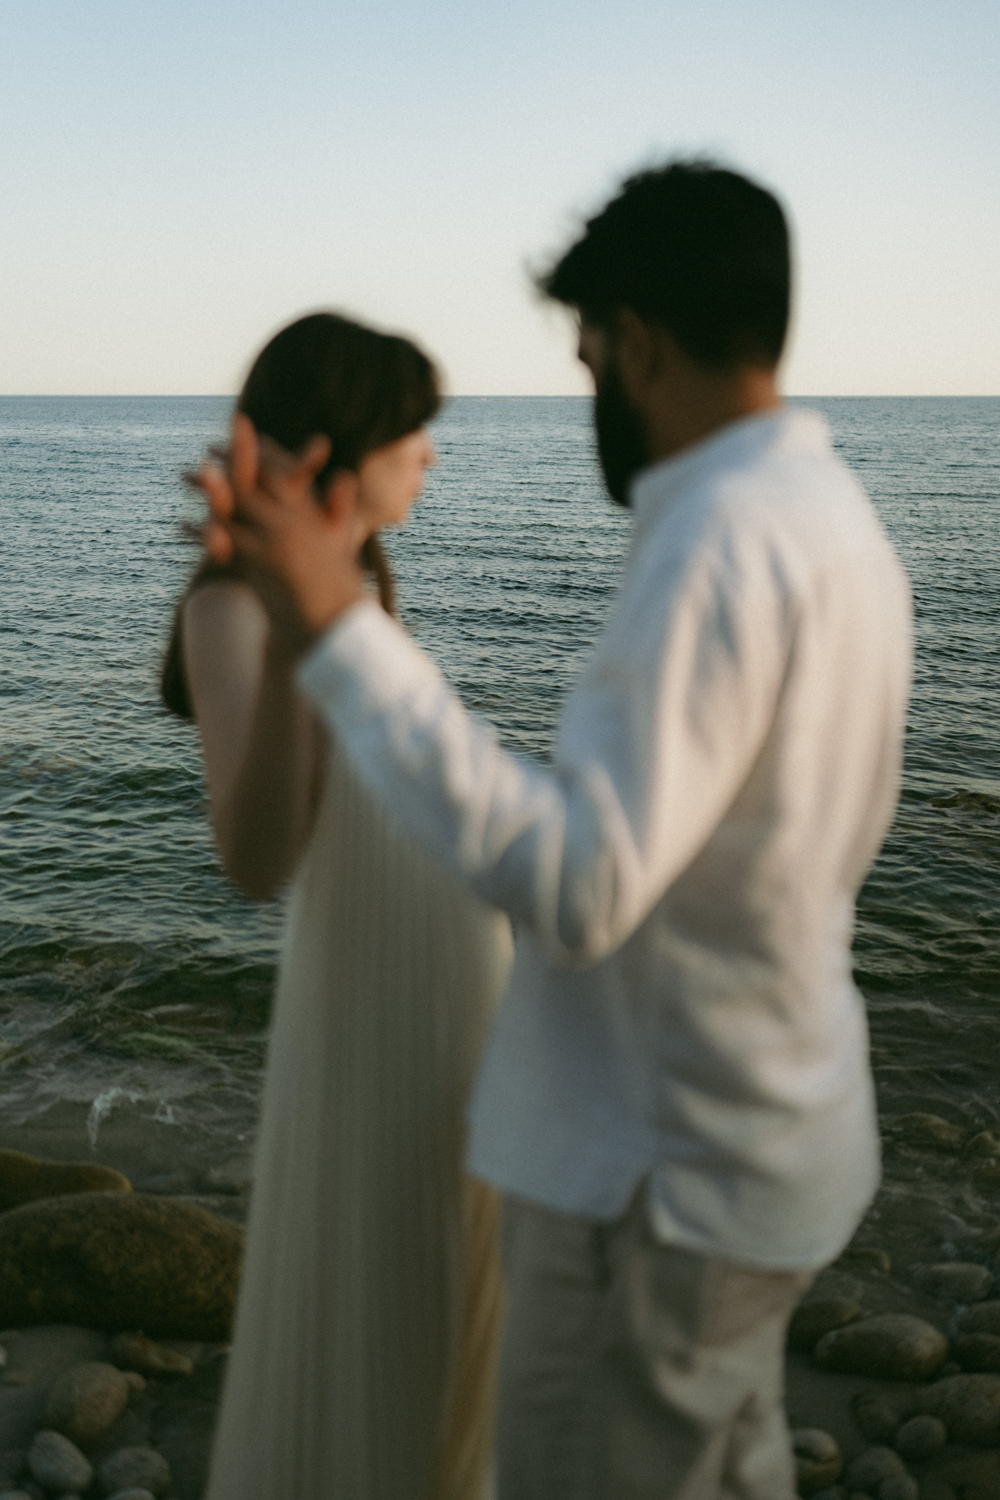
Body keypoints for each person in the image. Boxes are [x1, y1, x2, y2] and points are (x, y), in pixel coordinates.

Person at [199, 162, 913, 1500]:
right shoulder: (834, 521)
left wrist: (337, 628)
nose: (586, 392)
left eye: (586, 357)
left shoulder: (716, 543)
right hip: (760, 1133)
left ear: (635, 342)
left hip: (659, 1170)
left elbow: (586, 883)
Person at [164, 311, 513, 1500]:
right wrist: (300, 641)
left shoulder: (361, 587)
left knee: (459, 1334)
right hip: (381, 1009)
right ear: (338, 451)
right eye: (413, 432)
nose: (430, 455)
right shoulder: (231, 608)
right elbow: (257, 855)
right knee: (396, 1330)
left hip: (453, 991)